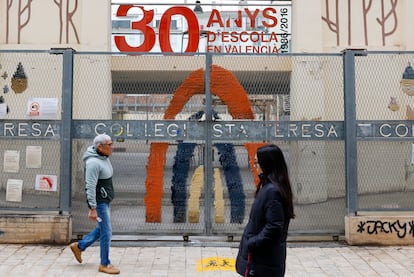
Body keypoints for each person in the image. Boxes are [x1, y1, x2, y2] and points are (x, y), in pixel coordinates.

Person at [236, 144, 295, 277]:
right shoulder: (268, 187)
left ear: (267, 163)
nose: (254, 165)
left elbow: (274, 226)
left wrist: (253, 242)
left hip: (263, 260)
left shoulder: (273, 191)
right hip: (262, 259)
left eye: (257, 162)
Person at [70, 134, 120, 275]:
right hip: (99, 203)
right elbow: (90, 186)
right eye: (109, 145)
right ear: (100, 146)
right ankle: (104, 264)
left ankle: (79, 246)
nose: (112, 147)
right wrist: (92, 208)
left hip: (105, 200)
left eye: (111, 144)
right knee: (106, 231)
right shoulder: (93, 163)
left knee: (102, 228)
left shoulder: (103, 158)